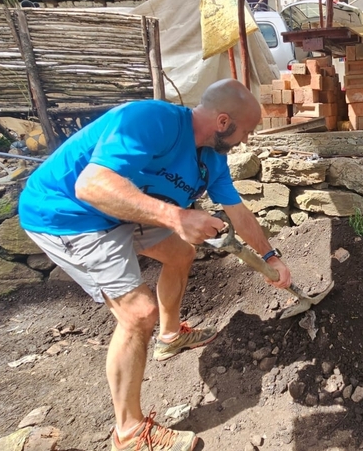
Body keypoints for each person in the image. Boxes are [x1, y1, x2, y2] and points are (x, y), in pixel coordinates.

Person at [18, 79, 292, 451]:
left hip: (124, 212)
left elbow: (238, 213)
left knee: (181, 253)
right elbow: (91, 186)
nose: (247, 140)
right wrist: (176, 216)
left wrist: (270, 256)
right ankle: (129, 433)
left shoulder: (212, 157)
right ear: (223, 121)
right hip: (69, 215)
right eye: (248, 131)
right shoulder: (148, 119)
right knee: (137, 314)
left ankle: (170, 336)